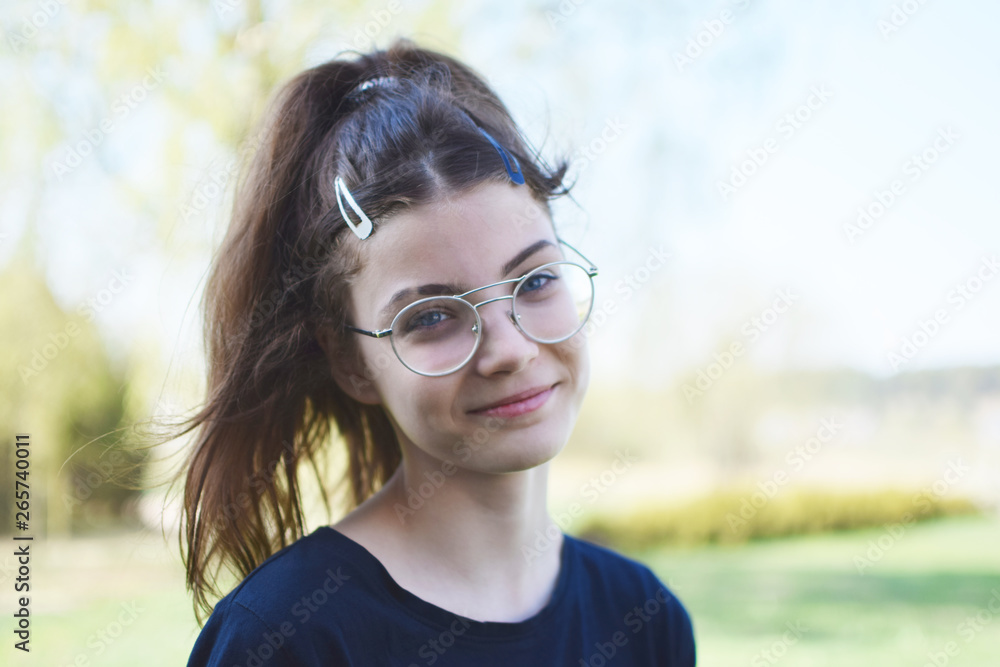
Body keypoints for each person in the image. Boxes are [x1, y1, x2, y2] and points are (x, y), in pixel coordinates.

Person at [181, 38, 695, 666]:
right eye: (430, 317)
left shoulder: (644, 619)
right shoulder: (291, 636)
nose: (507, 350)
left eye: (534, 281)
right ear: (350, 362)